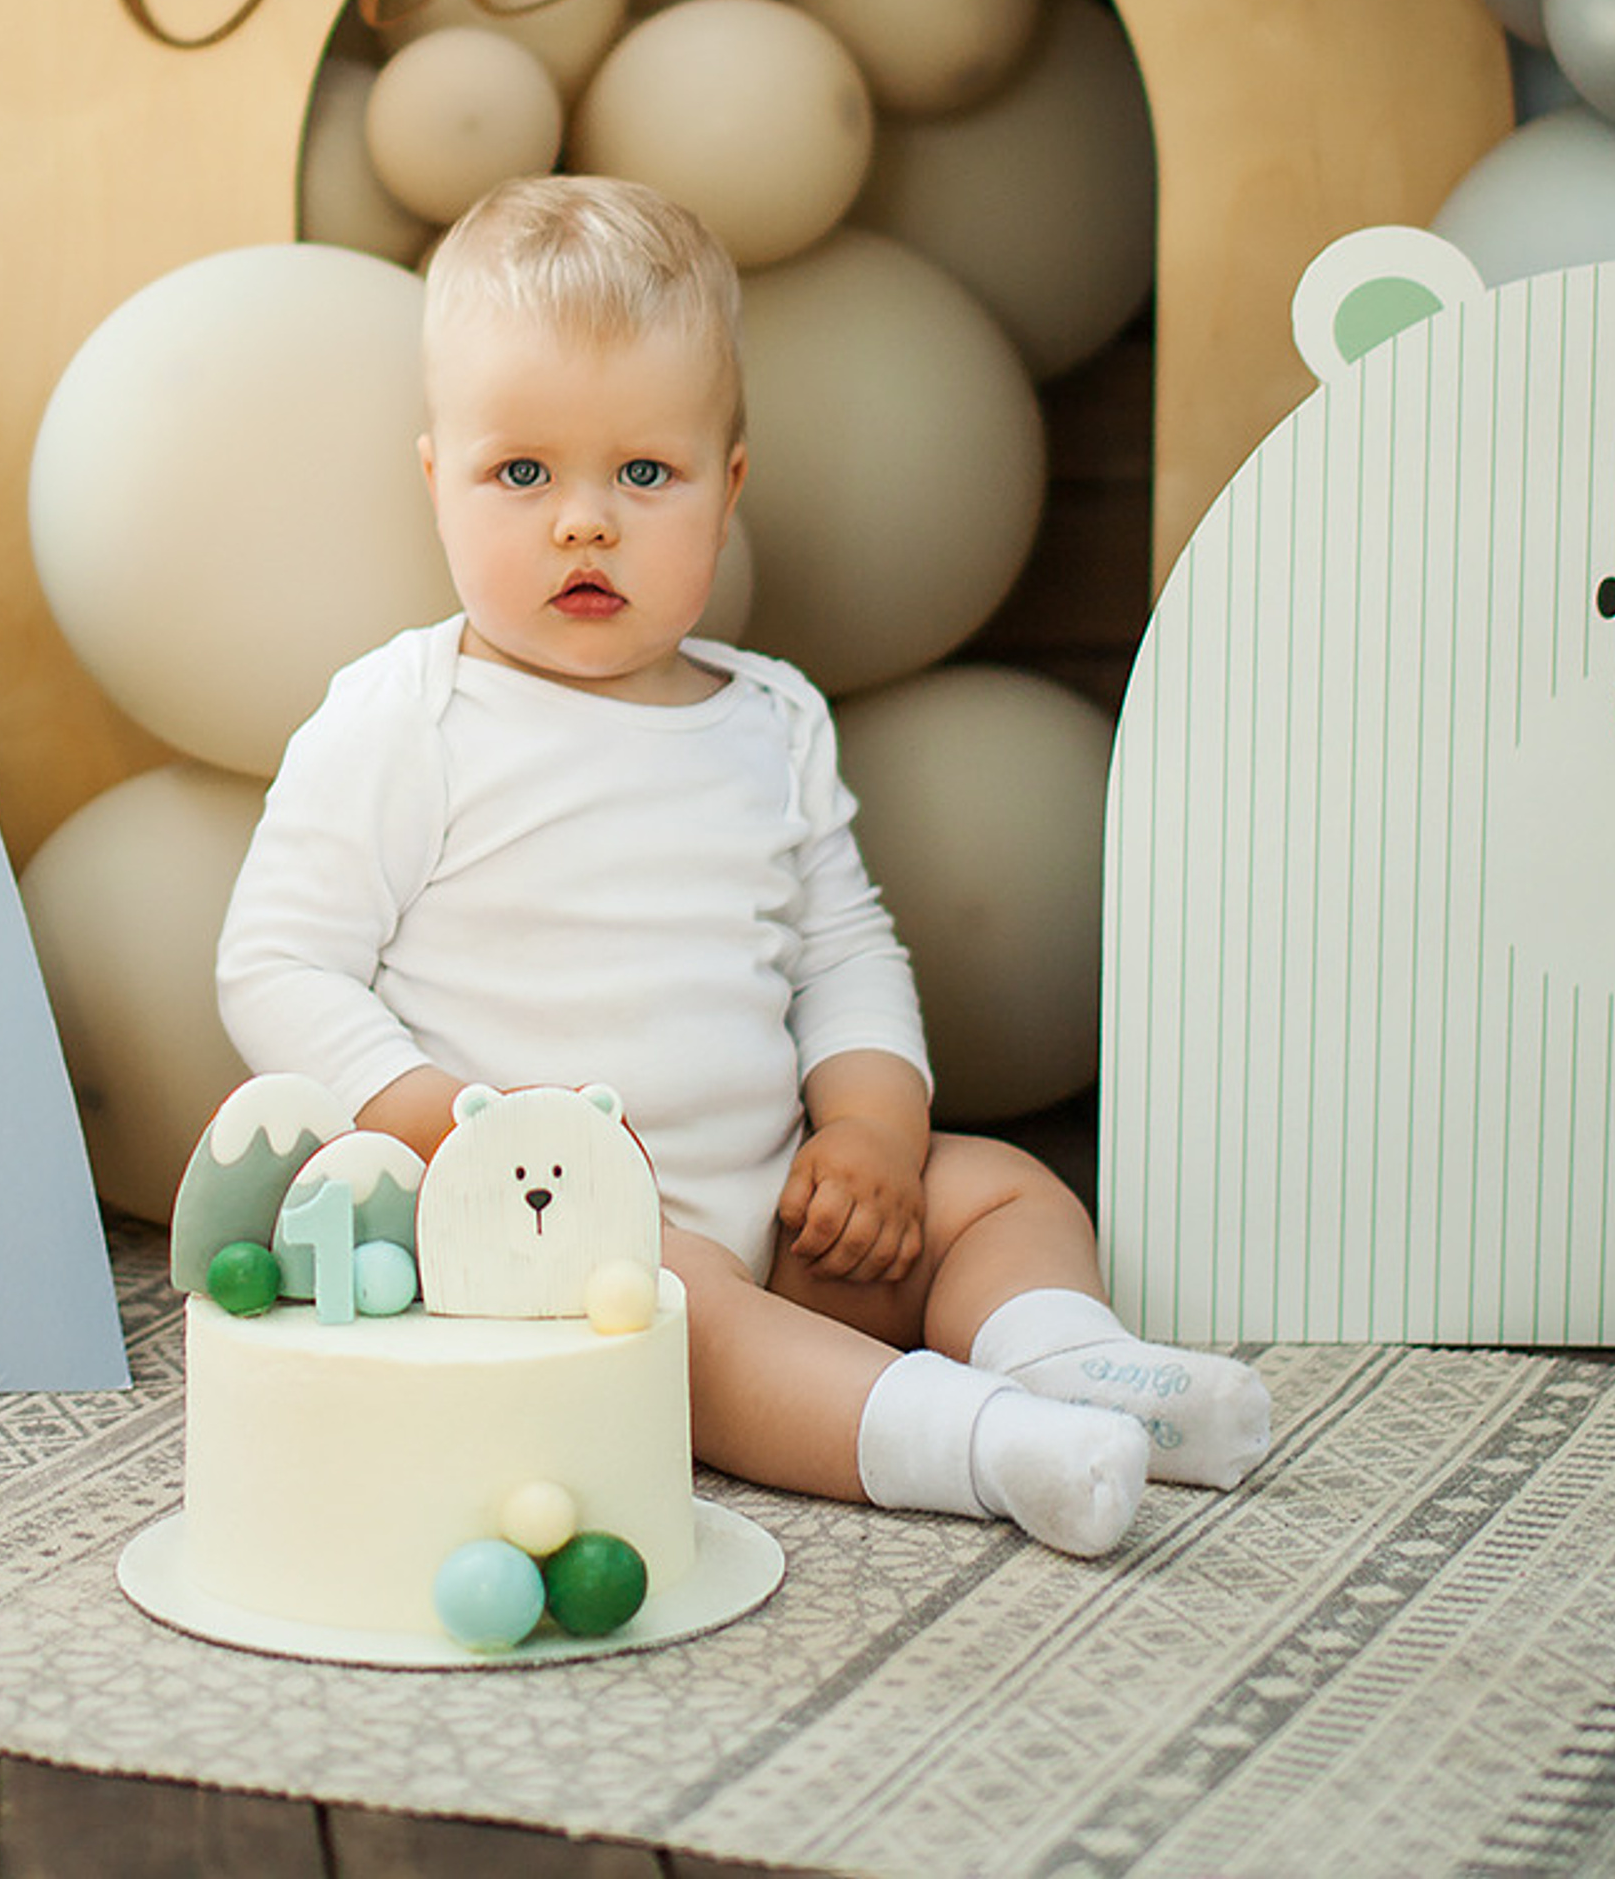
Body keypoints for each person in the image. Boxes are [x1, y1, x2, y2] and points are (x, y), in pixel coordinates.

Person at [217, 174, 1269, 1556]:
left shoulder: (770, 717)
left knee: (1004, 1188)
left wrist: (873, 1139)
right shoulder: (408, 715)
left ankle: (1067, 1360)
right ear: (439, 480)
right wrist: (463, 1126)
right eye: (521, 473)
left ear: (730, 487)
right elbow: (276, 963)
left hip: (780, 1202)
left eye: (643, 474)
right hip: (546, 1242)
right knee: (680, 1311)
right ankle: (985, 1445)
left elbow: (844, 953)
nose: (583, 521)